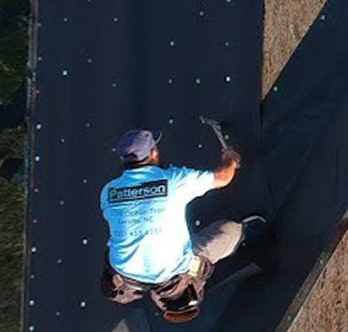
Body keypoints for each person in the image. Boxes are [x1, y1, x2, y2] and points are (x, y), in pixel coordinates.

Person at [97, 127, 264, 321]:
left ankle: (137, 291)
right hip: (172, 272)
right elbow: (223, 178)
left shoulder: (108, 192)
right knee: (229, 232)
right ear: (154, 153)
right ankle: (244, 235)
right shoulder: (173, 180)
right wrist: (230, 159)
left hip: (126, 275)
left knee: (125, 274)